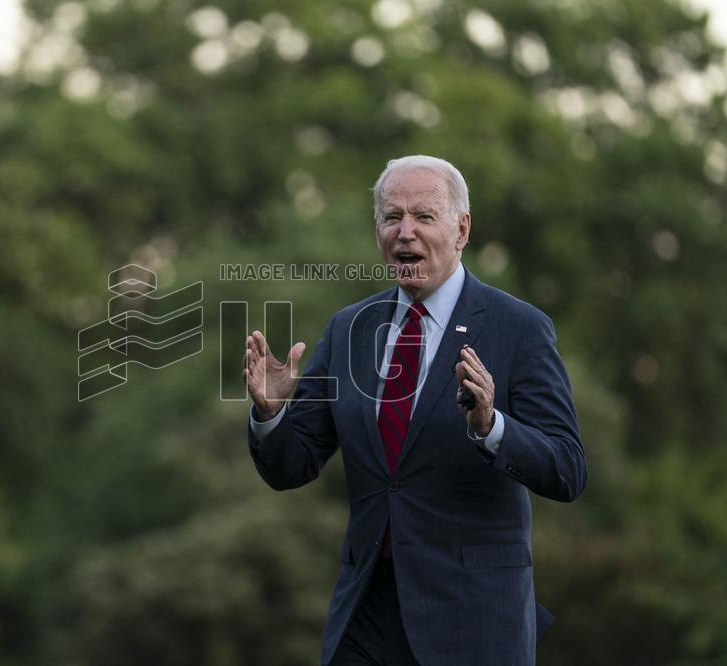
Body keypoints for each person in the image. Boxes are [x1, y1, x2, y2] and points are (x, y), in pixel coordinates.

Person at [243, 155, 587, 666]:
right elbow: (291, 465)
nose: (405, 232)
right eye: (391, 217)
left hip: (472, 620)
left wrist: (491, 427)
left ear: (461, 228)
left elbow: (567, 470)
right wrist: (270, 414)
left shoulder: (519, 328)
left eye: (423, 216)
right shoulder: (349, 328)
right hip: (365, 616)